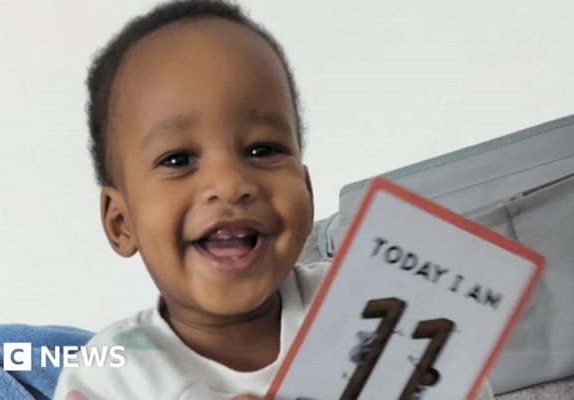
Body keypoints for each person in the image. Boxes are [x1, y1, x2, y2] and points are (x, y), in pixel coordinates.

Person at [53, 1, 495, 399]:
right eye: (178, 159)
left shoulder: (371, 305)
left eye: (262, 149)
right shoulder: (106, 376)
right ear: (121, 223)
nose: (230, 184)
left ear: (306, 190)